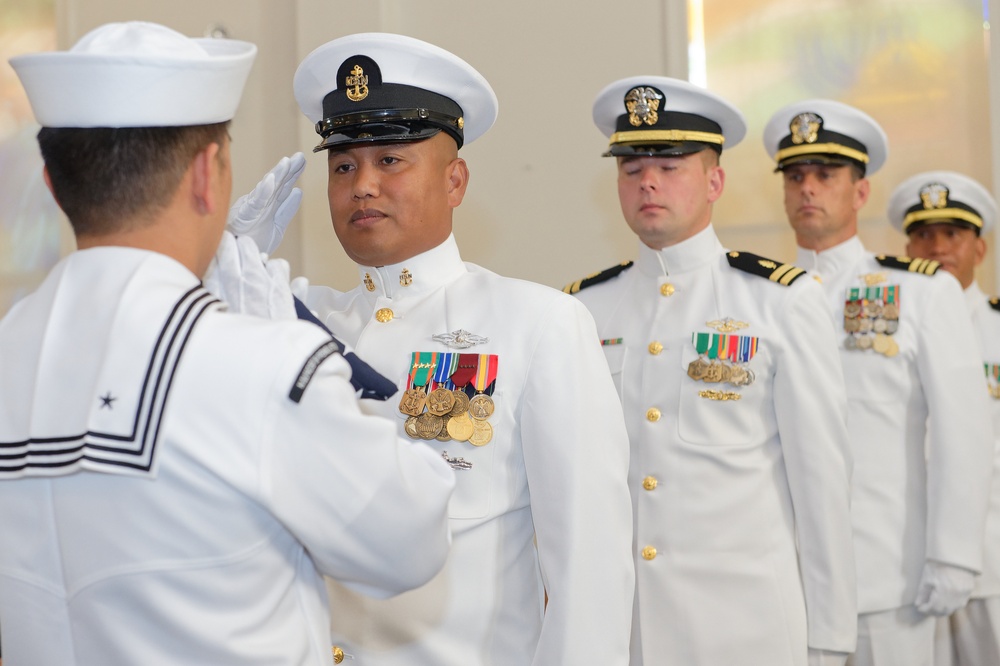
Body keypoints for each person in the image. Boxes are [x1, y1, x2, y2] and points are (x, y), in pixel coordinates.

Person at [0, 22, 455, 665]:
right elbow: (410, 541)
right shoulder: (261, 363)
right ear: (208, 175)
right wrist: (299, 353)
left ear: (52, 184)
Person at [222, 32, 635, 665]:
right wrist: (205, 270)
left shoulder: (537, 323)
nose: (362, 185)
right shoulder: (292, 316)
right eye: (343, 165)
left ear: (456, 181)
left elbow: (589, 564)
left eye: (390, 160)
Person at [564, 75, 857, 666]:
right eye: (630, 167)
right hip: (625, 632)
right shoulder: (582, 309)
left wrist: (828, 637)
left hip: (745, 630)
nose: (647, 179)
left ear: (715, 180)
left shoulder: (780, 301)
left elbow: (821, 484)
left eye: (671, 165)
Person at [763, 99, 994, 666]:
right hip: (781, 578)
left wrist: (953, 554)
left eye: (825, 175)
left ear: (860, 192)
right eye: (795, 177)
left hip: (886, 574)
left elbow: (961, 431)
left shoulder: (920, 292)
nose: (808, 189)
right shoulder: (760, 297)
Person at [887, 170, 1000, 665]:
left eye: (952, 234)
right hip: (906, 562)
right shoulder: (881, 331)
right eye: (923, 234)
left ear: (980, 248)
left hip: (995, 562)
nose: (936, 247)